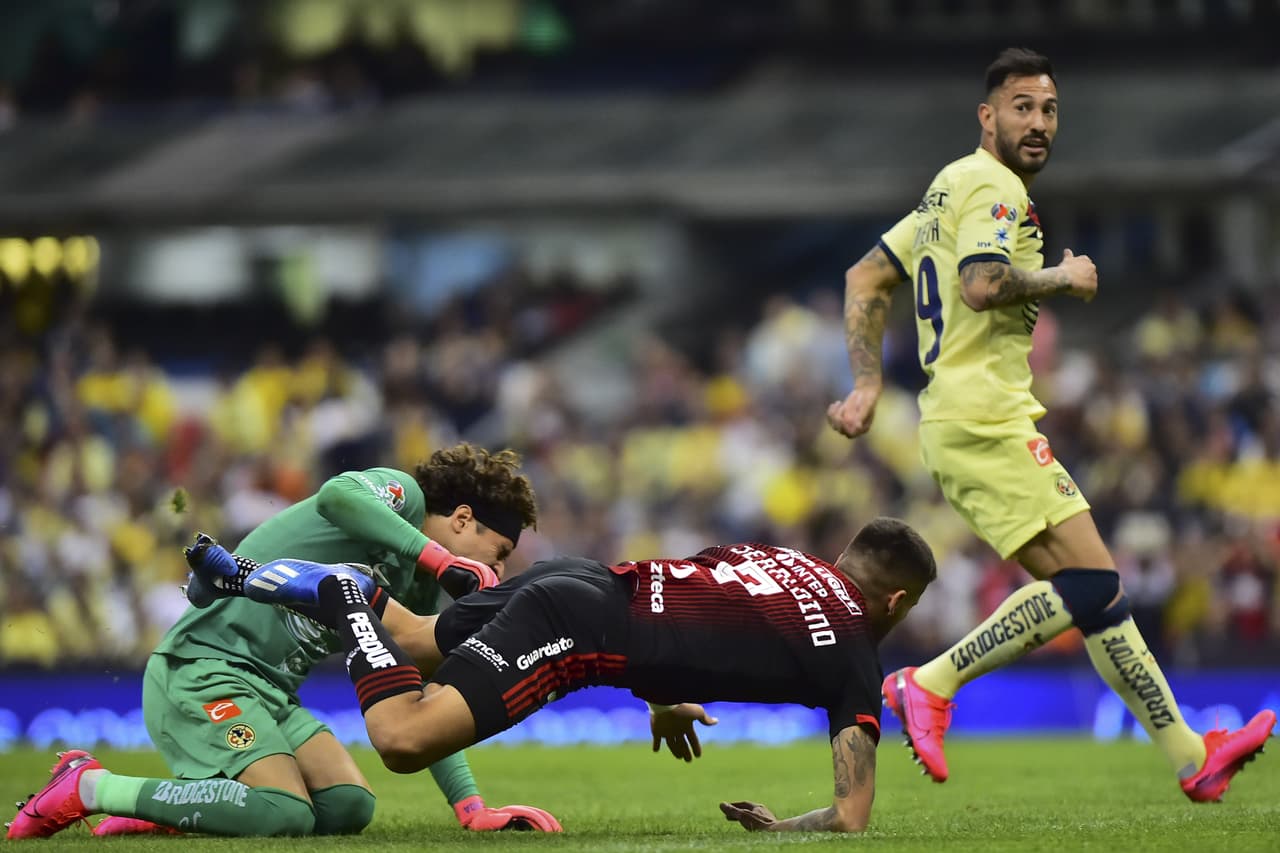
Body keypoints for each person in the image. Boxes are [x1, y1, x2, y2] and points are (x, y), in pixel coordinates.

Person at [825, 46, 1274, 800]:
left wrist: (869, 384)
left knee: (1095, 594)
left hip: (961, 415)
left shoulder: (948, 188)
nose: (1038, 123)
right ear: (987, 115)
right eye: (1022, 107)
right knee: (1095, 579)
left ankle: (1192, 755)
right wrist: (1062, 277)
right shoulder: (993, 188)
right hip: (983, 416)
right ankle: (928, 683)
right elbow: (981, 284)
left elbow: (865, 274)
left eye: (1049, 109)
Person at [149, 517, 930, 833]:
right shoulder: (856, 647)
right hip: (579, 631)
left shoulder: (776, 558)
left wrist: (660, 694)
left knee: (416, 638)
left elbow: (684, 606)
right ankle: (342, 598)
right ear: (894, 599)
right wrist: (777, 829)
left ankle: (259, 576)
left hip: (579, 578)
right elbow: (851, 816)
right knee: (402, 736)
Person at [7, 443, 558, 840]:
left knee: (348, 807)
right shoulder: (405, 498)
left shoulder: (417, 592)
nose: (501, 568)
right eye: (501, 550)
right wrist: (438, 558)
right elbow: (336, 495)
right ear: (463, 519)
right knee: (282, 813)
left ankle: (172, 810)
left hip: (273, 695)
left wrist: (470, 808)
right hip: (201, 670)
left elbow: (425, 696)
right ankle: (90, 787)